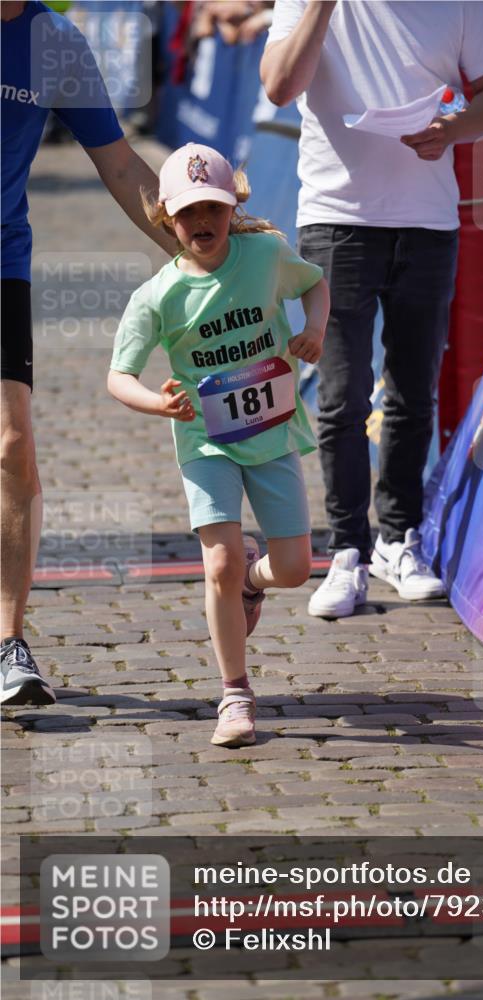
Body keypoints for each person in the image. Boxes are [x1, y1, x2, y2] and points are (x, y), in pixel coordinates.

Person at [260, 1, 483, 618]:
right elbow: (278, 86)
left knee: (412, 390)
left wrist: (452, 128)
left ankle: (399, 539)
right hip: (337, 219)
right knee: (344, 395)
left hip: (427, 221)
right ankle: (347, 548)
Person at [108, 142, 329, 748]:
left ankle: (254, 583)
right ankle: (235, 694)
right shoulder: (156, 296)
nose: (202, 222)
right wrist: (159, 402)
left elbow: (314, 284)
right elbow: (117, 376)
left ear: (234, 209)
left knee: (294, 568)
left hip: (273, 431)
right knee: (220, 564)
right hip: (207, 441)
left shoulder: (265, 255)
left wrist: (313, 328)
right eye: (188, 213)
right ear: (166, 219)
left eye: (214, 209)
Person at [0, 0, 178, 707]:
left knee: (13, 445)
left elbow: (122, 165)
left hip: (2, 263)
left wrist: (203, 249)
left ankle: (9, 643)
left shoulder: (57, 43)